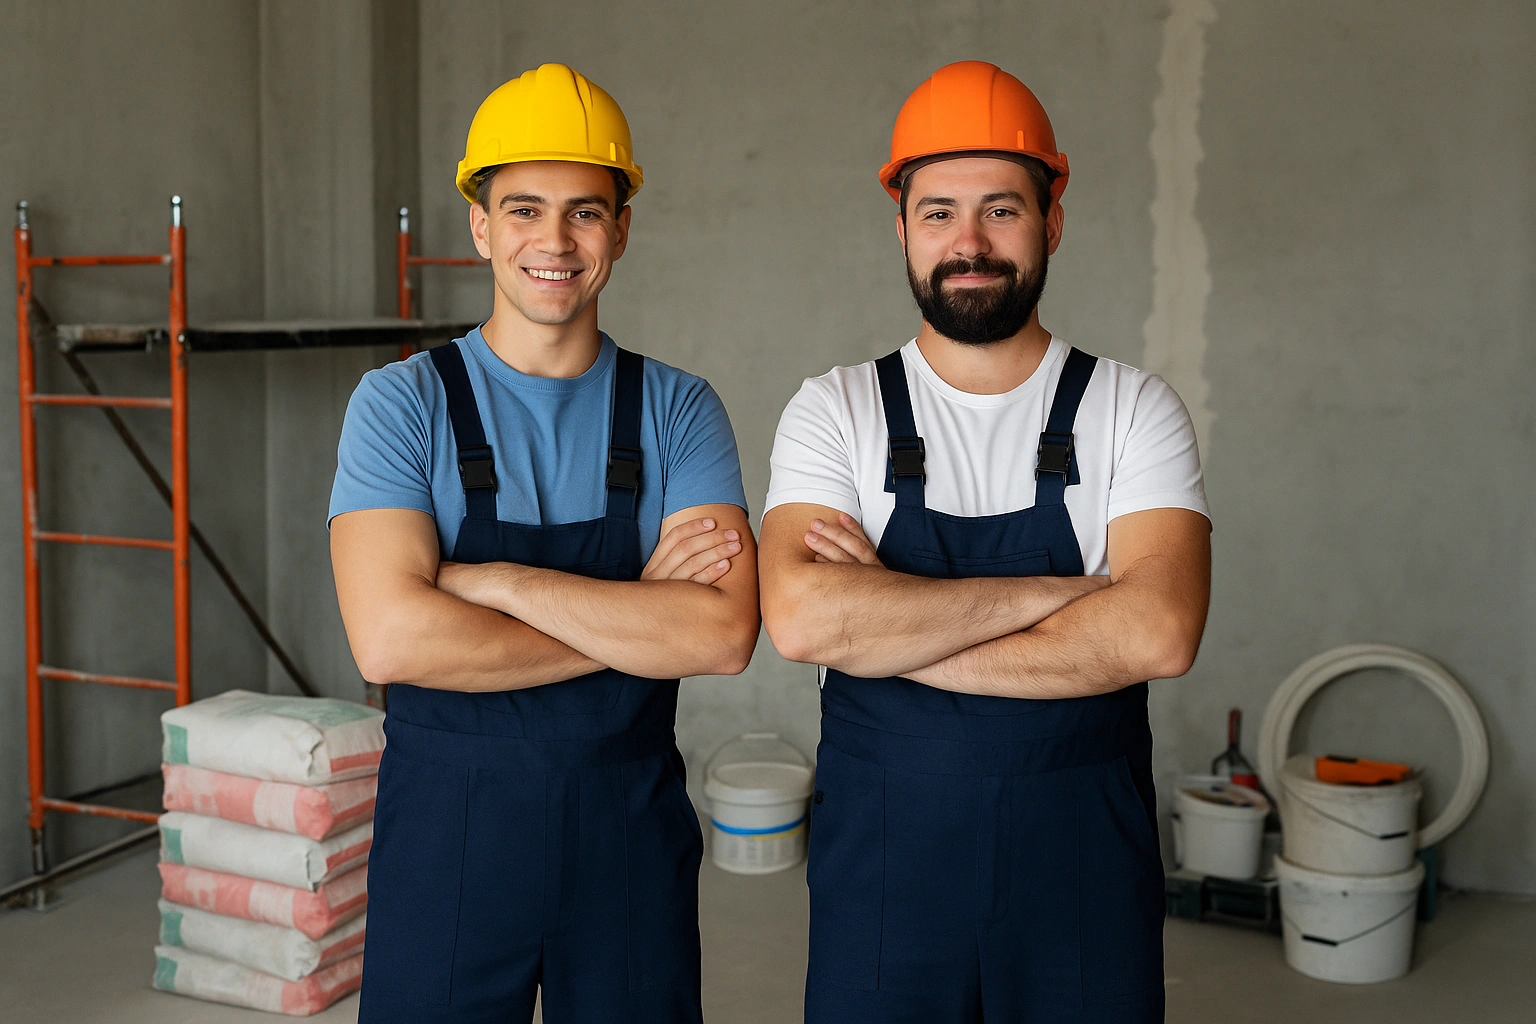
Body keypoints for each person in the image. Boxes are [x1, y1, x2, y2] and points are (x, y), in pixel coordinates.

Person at [759, 60, 1212, 1024]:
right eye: (938, 213)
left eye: (1002, 209)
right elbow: (802, 621)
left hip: (1083, 873)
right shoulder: (834, 410)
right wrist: (1065, 595)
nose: (969, 242)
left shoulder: (1133, 409)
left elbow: (1158, 635)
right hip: (885, 880)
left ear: (1052, 220)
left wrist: (891, 625)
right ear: (902, 229)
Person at [330, 63, 759, 1024]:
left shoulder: (680, 410)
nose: (554, 242)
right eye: (523, 209)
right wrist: (636, 616)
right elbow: (393, 642)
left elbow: (721, 638)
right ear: (481, 226)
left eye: (586, 212)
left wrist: (497, 583)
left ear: (622, 228)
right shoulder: (401, 405)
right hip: (448, 839)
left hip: (629, 839)